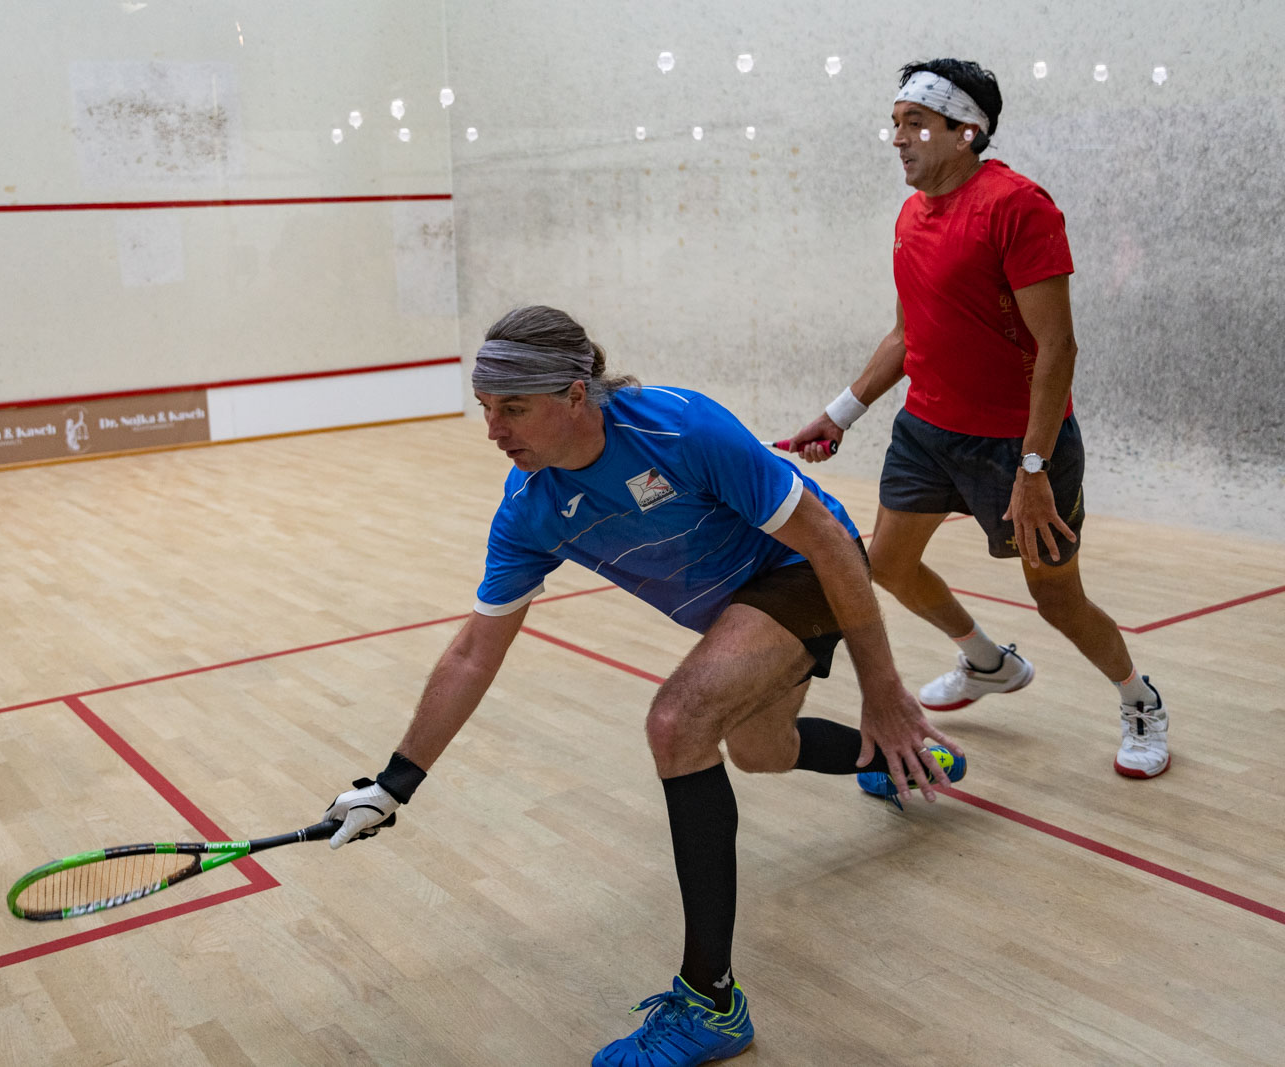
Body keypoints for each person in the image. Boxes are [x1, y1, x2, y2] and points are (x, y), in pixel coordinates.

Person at [321, 305, 963, 1067]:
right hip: (739, 611)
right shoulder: (529, 511)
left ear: (574, 394)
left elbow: (827, 540)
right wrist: (394, 782)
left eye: (513, 408)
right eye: (485, 407)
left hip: (805, 569)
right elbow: (472, 653)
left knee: (677, 722)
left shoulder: (679, 429)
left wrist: (883, 692)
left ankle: (711, 1002)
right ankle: (900, 758)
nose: (493, 429)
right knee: (761, 749)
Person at [786, 58, 1169, 779]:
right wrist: (841, 414)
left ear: (966, 131)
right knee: (887, 564)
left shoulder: (1018, 207)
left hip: (1018, 445)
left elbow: (1058, 346)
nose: (898, 138)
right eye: (894, 123)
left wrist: (1034, 467)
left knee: (1056, 597)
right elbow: (907, 335)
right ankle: (988, 661)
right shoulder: (910, 215)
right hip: (927, 432)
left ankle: (1139, 699)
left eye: (915, 123)